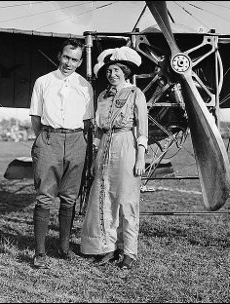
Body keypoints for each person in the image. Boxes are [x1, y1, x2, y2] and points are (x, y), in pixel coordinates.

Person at [80, 46, 148, 270]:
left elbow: (142, 129)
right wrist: (94, 159)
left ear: (126, 71)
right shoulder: (102, 96)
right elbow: (98, 132)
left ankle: (129, 251)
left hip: (126, 145)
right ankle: (107, 247)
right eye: (109, 71)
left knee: (127, 201)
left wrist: (140, 158)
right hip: (105, 150)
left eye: (117, 70)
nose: (113, 74)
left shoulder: (135, 93)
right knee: (103, 199)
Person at [29, 38, 94, 268]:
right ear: (59, 56)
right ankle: (40, 252)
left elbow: (87, 122)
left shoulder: (86, 86)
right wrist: (44, 139)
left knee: (69, 197)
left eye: (75, 59)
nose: (69, 63)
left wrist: (76, 140)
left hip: (76, 140)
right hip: (49, 138)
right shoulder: (43, 81)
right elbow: (35, 118)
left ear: (80, 62)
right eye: (66, 57)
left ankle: (64, 247)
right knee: (45, 196)